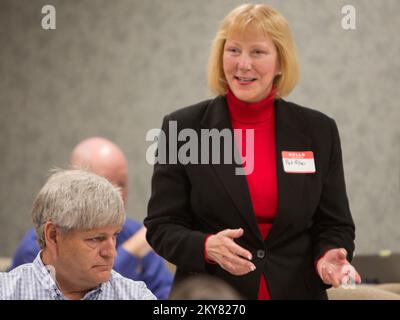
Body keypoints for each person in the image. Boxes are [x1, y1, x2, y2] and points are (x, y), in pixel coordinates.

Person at [145, 4, 361, 299]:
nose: (243, 64)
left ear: (281, 62)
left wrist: (328, 255)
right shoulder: (183, 128)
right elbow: (161, 226)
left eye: (257, 52)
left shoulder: (318, 131)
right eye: (233, 50)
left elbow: (334, 224)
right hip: (212, 295)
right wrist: (206, 246)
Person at [9, 137, 172, 299]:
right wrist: (130, 252)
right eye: (95, 238)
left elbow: (168, 295)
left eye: (122, 183)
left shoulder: (135, 235)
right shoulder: (31, 252)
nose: (115, 193)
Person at [0, 169, 156, 300]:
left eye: (115, 236)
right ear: (53, 235)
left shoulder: (137, 296)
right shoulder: (7, 292)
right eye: (96, 238)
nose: (111, 253)